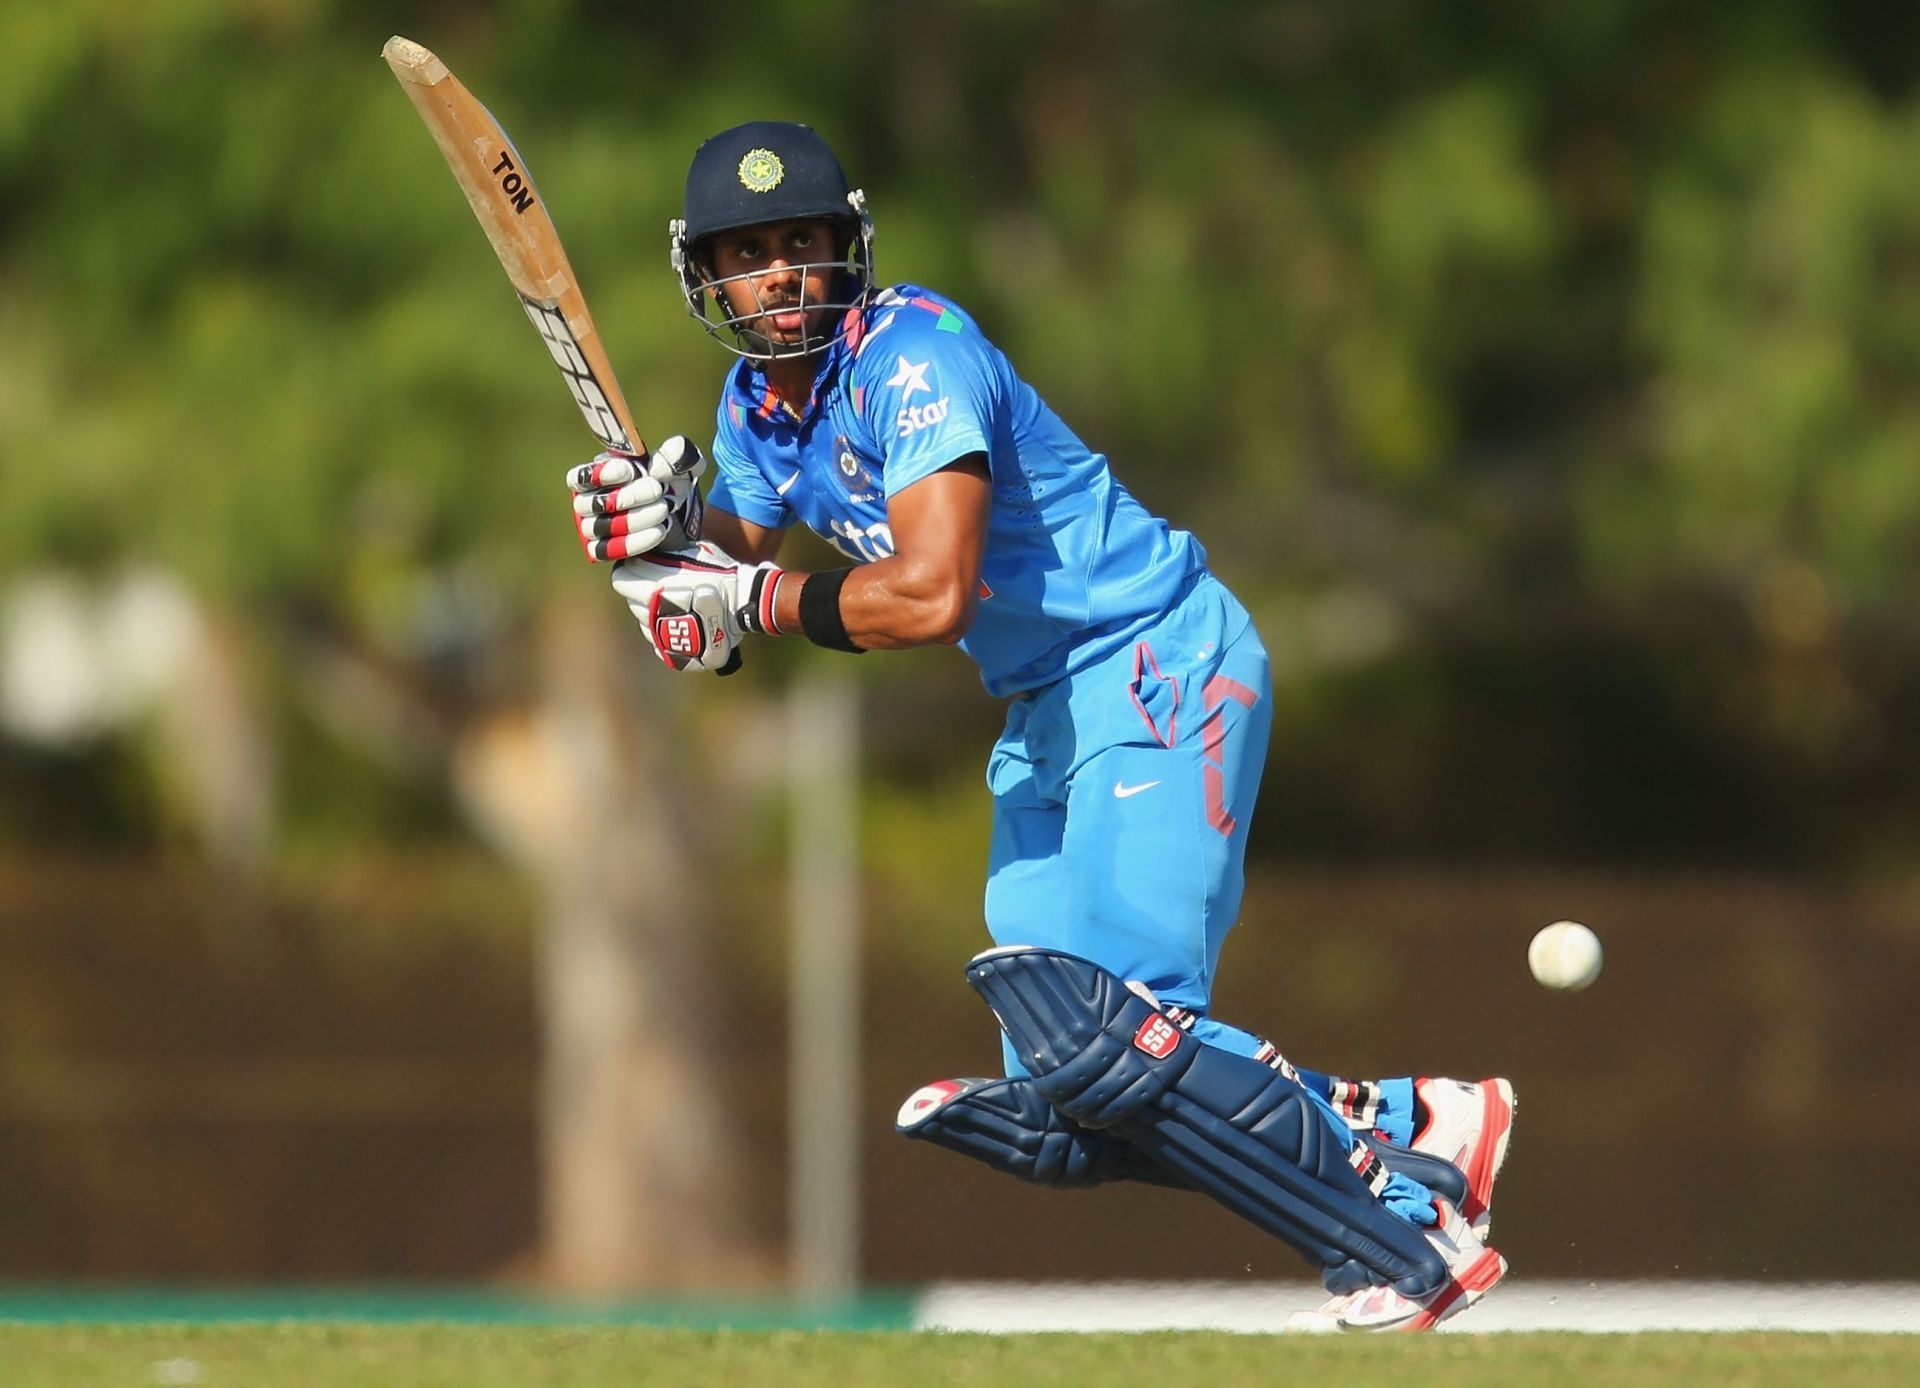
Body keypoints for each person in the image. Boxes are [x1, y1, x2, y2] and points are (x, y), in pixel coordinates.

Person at [565, 120, 1513, 1330]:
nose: (782, 272)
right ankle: (1415, 1122)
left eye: (801, 241)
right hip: (1049, 709)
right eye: (750, 252)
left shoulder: (912, 355)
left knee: (1122, 1040)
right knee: (1074, 1091)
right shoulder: (757, 408)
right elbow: (718, 600)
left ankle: (1403, 1234)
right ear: (710, 277)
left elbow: (926, 591)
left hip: (1155, 662)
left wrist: (739, 594)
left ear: (845, 244)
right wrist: (652, 541)